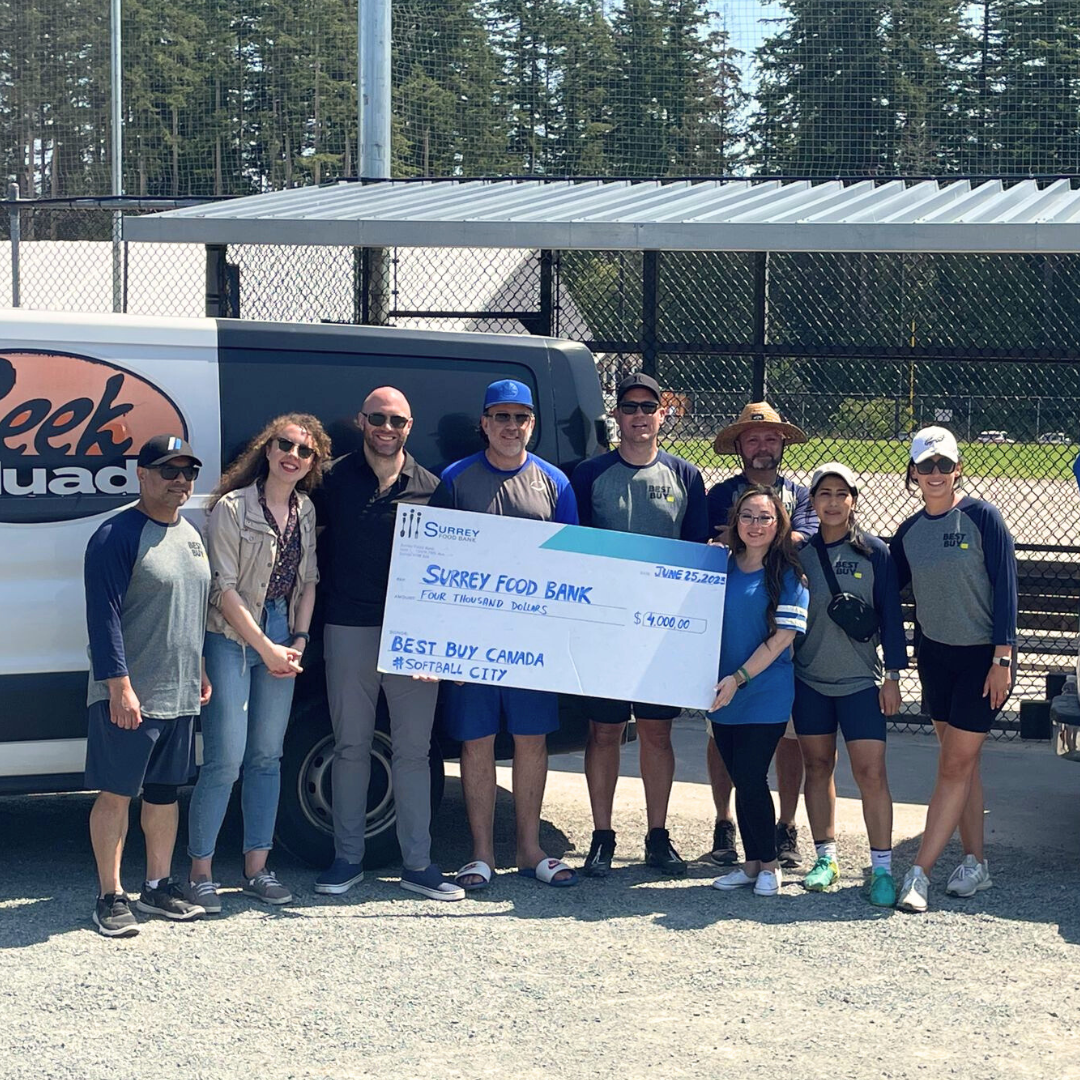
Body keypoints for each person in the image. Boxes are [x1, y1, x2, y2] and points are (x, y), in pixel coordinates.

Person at [312, 387, 465, 901]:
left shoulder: (432, 488)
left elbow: (450, 572)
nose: (386, 428)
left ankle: (418, 865)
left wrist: (442, 645)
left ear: (409, 427)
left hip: (413, 638)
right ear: (361, 421)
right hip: (346, 627)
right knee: (350, 746)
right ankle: (347, 859)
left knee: (414, 752)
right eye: (377, 418)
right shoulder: (332, 479)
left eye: (397, 420)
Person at [430, 379, 579, 891]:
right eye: (501, 416)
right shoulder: (455, 479)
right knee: (476, 742)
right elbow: (433, 562)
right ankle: (481, 854)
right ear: (485, 422)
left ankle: (529, 849)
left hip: (532, 641)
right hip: (470, 641)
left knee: (531, 740)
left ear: (531, 424)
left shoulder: (555, 483)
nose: (511, 426)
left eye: (520, 417)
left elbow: (572, 564)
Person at [184, 415, 329, 912]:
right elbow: (222, 588)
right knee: (225, 758)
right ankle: (200, 873)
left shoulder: (305, 510)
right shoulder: (231, 507)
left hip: (282, 633)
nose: (293, 455)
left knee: (267, 757)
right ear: (267, 449)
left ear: (312, 463)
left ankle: (257, 868)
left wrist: (298, 639)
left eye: (305, 451)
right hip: (231, 636)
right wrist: (266, 647)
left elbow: (308, 582)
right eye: (284, 444)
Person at [570, 373, 709, 876]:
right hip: (605, 631)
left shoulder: (685, 476)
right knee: (604, 733)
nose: (639, 416)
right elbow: (576, 550)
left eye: (648, 407)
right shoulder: (590, 474)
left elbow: (698, 556)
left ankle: (657, 835)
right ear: (617, 415)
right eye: (629, 407)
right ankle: (602, 836)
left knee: (656, 733)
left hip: (660, 633)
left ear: (662, 415)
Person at [84, 435, 212, 937]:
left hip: (179, 691)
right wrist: (118, 685)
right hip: (131, 694)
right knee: (117, 793)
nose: (180, 481)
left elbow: (192, 609)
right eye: (168, 471)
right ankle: (110, 896)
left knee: (164, 793)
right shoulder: (116, 534)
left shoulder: (190, 534)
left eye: (188, 472)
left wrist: (199, 668)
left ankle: (157, 887)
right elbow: (103, 618)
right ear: (142, 475)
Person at [891, 427, 1017, 914]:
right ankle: (976, 863)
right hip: (935, 658)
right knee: (963, 764)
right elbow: (885, 586)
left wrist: (1003, 659)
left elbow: (1006, 589)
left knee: (954, 766)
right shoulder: (910, 532)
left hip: (981, 661)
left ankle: (919, 872)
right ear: (913, 473)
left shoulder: (983, 517)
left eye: (945, 464)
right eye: (927, 466)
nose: (936, 473)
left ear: (958, 468)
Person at [706, 401, 818, 870]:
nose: (763, 445)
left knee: (783, 744)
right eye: (753, 438)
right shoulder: (719, 495)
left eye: (771, 437)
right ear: (739, 445)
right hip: (726, 651)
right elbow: (706, 552)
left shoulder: (800, 495)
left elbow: (804, 537)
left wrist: (760, 539)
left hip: (776, 646)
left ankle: (783, 830)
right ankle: (727, 827)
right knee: (728, 748)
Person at [793, 463, 907, 907]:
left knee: (871, 773)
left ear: (854, 500)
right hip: (810, 679)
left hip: (861, 681)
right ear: (812, 501)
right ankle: (826, 857)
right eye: (824, 493)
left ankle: (881, 869)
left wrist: (893, 676)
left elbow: (892, 618)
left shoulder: (875, 552)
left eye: (842, 493)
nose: (833, 502)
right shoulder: (800, 554)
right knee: (817, 766)